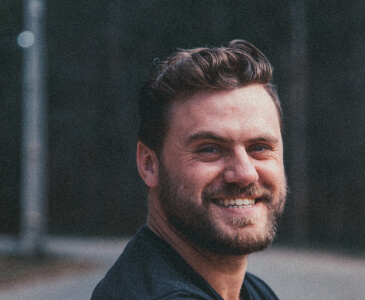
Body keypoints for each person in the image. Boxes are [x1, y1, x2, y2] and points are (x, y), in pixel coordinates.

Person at [91, 40, 287, 300]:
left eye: (259, 147)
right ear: (150, 165)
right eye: (209, 149)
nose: (245, 173)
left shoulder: (253, 291)